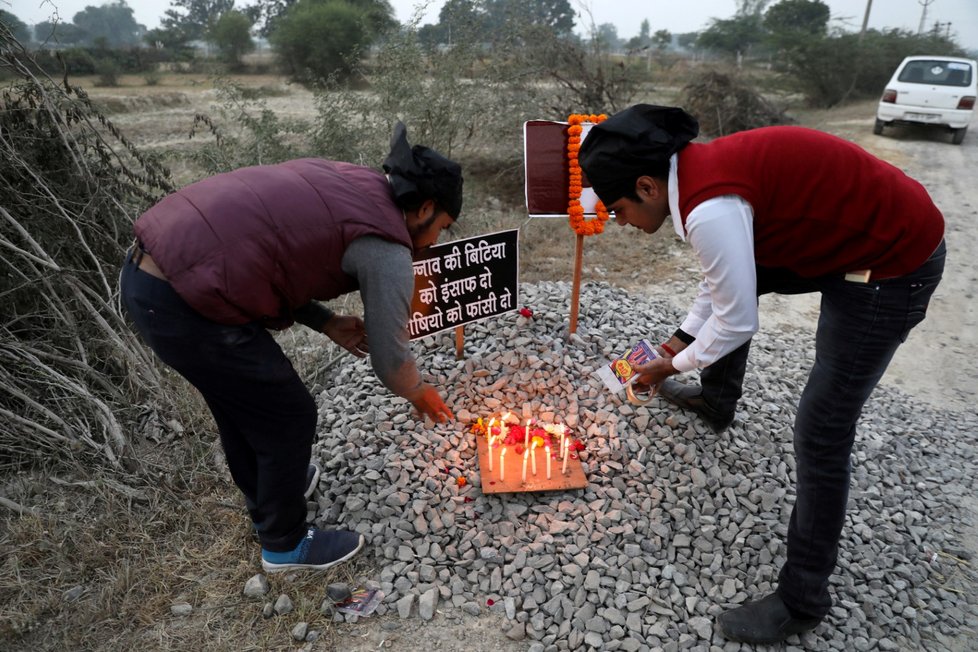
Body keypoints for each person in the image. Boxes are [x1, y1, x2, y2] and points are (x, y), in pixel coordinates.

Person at [579, 105, 945, 643]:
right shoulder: (696, 184)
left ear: (646, 186)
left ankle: (801, 600)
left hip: (892, 262)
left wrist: (670, 365)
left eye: (618, 211)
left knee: (821, 433)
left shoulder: (710, 209)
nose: (622, 225)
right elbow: (721, 280)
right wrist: (679, 341)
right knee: (733, 294)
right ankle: (715, 400)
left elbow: (737, 320)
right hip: (845, 236)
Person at [120, 123, 461, 573]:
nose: (437, 240)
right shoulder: (387, 247)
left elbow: (273, 249)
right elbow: (389, 353)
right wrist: (416, 389)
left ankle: (271, 490)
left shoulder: (356, 183)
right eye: (442, 227)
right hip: (185, 302)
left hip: (152, 278)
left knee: (242, 401)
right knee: (287, 413)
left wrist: (326, 321)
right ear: (426, 208)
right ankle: (285, 544)